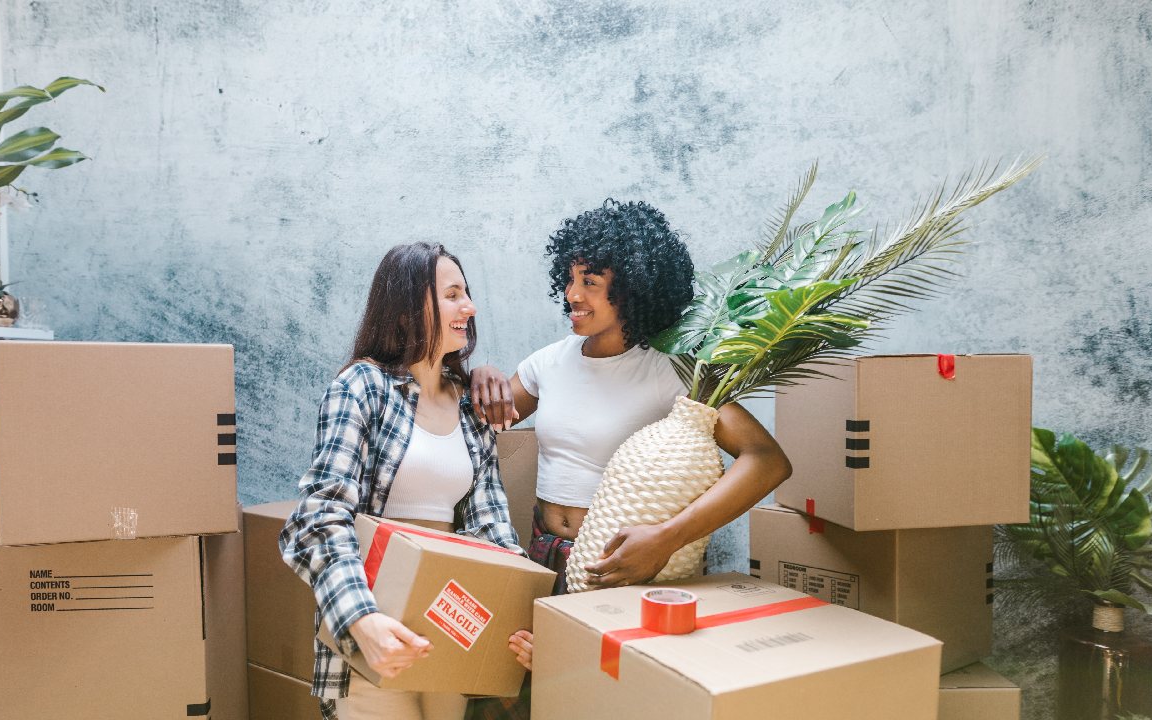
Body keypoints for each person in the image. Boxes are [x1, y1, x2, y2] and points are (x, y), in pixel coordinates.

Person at [469, 199, 793, 676]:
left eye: (590, 283)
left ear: (635, 291)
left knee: (605, 697)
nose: (571, 295)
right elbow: (478, 419)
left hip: (622, 569)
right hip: (543, 557)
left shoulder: (669, 371)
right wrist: (483, 372)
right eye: (570, 278)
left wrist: (666, 539)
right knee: (527, 696)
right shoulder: (550, 363)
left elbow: (766, 460)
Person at [280, 242, 524, 720]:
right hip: (376, 629)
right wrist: (361, 620)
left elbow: (493, 530)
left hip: (451, 628)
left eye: (467, 293)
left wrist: (515, 621)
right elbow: (320, 515)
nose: (469, 307)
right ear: (410, 306)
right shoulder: (361, 389)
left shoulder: (470, 407)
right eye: (452, 294)